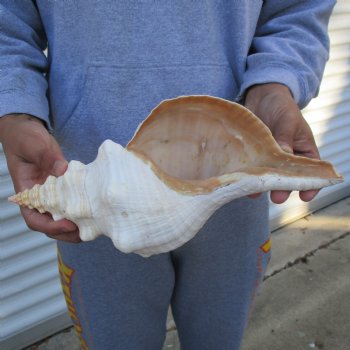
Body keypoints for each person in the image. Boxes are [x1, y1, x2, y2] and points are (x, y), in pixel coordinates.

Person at [0, 1, 335, 349]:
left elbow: (296, 11)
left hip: (234, 213)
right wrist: (14, 111)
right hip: (96, 213)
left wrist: (276, 83)